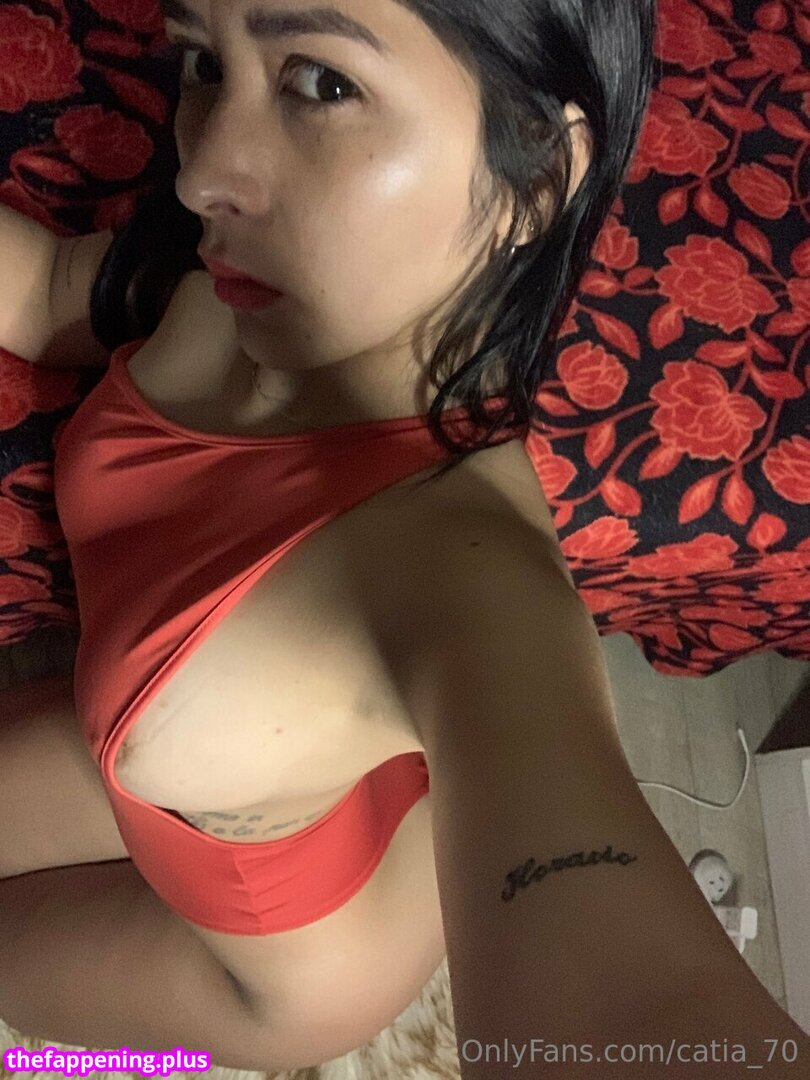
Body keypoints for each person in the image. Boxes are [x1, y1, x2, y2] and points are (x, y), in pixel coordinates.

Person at [1, 0, 808, 1076]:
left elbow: (635, 1003)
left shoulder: (460, 569)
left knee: (52, 1046)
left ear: (535, 178)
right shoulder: (238, 272)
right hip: (173, 773)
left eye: (323, 83)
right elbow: (49, 289)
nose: (203, 175)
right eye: (202, 61)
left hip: (275, 972)